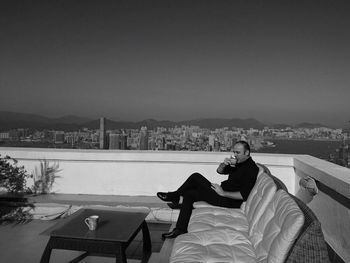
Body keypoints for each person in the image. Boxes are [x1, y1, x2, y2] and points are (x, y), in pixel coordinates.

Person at [157, 140, 259, 239]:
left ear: (247, 152)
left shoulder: (251, 169)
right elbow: (219, 171)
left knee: (195, 177)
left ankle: (175, 196)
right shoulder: (238, 163)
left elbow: (243, 195)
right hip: (220, 193)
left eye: (238, 152)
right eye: (234, 152)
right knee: (189, 194)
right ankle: (180, 229)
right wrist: (224, 164)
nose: (235, 155)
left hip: (229, 200)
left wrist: (223, 193)